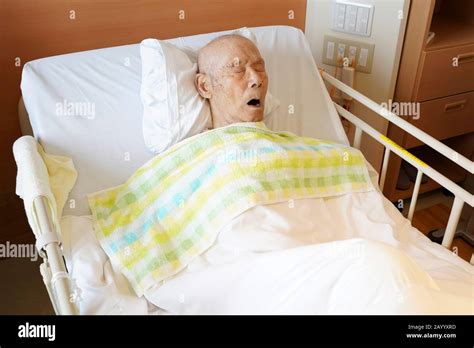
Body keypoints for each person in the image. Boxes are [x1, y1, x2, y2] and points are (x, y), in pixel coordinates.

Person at [195, 34, 268, 129]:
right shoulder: (198, 144)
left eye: (259, 68)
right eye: (238, 70)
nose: (257, 79)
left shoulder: (291, 142)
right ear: (205, 86)